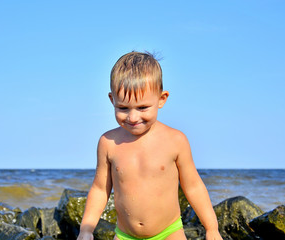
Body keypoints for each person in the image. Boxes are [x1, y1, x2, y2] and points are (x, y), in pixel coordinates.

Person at [77, 51, 222, 240]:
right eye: (123, 108)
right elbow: (99, 189)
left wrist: (212, 228)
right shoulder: (108, 143)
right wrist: (86, 229)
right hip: (125, 235)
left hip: (169, 232)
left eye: (142, 108)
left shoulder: (175, 140)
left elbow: (193, 186)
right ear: (112, 100)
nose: (133, 117)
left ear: (161, 99)